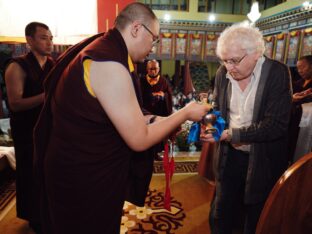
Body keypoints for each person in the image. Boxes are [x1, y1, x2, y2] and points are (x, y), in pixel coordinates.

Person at [33, 3, 210, 234]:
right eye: (153, 38)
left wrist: (156, 119)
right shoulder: (108, 63)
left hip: (86, 168)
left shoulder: (110, 51)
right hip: (83, 177)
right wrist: (185, 113)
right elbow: (139, 139)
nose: (153, 47)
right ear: (137, 28)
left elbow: (128, 114)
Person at [200, 22, 292, 234]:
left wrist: (233, 134)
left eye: (234, 60)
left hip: (262, 160)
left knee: (256, 218)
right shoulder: (224, 73)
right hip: (229, 156)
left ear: (256, 53)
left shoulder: (277, 73)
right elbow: (217, 108)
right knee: (221, 213)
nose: (229, 68)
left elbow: (276, 125)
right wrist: (209, 124)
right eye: (224, 60)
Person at [4, 22, 54, 233]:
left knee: (49, 172)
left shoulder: (53, 65)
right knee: (30, 174)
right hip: (26, 131)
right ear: (29, 40)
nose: (49, 42)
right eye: (44, 37)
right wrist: (48, 96)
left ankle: (49, 213)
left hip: (49, 129)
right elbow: (15, 103)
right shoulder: (17, 66)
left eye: (51, 37)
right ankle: (34, 218)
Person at [140, 60, 173, 160]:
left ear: (159, 69)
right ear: (147, 69)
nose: (153, 71)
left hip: (159, 112)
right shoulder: (141, 80)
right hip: (146, 113)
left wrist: (163, 95)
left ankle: (156, 153)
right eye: (151, 69)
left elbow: (169, 94)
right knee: (145, 134)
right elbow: (138, 96)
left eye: (155, 69)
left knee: (157, 136)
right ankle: (144, 154)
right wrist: (151, 96)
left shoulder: (163, 81)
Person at [287, 55, 312, 163]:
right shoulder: (296, 83)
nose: (300, 70)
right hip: (293, 122)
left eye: (303, 67)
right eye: (298, 68)